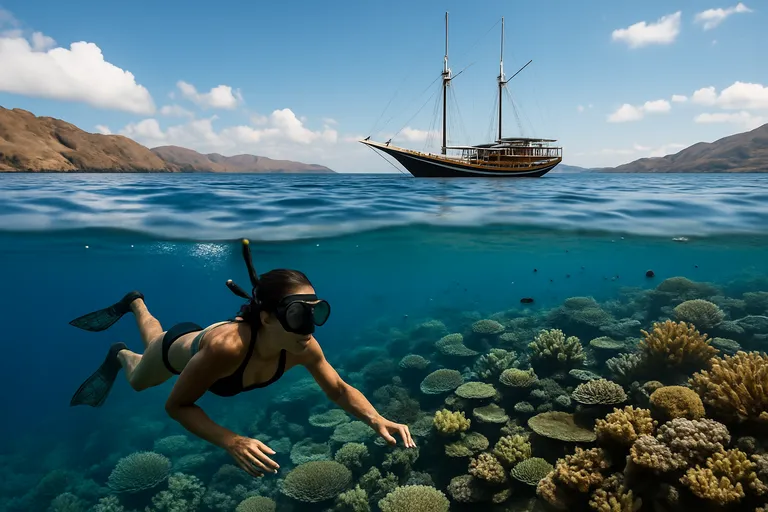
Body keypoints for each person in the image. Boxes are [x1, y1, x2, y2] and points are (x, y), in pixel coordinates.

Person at [68, 238, 415, 478]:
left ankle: (135, 303)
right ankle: (121, 348)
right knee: (139, 379)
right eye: (298, 314)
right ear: (266, 318)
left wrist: (375, 418)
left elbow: (338, 389)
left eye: (316, 311)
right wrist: (230, 440)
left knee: (156, 338)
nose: (310, 325)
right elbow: (177, 406)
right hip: (175, 352)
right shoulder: (226, 349)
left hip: (192, 339)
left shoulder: (303, 346)